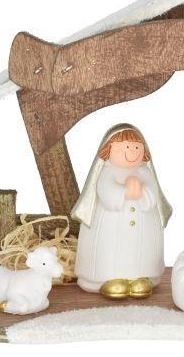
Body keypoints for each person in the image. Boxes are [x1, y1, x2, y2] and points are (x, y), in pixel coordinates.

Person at [71, 123, 172, 299]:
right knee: (111, 248)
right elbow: (106, 193)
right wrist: (125, 191)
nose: (132, 152)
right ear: (108, 150)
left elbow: (152, 193)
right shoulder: (107, 172)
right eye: (125, 147)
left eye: (136, 147)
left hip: (144, 225)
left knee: (142, 249)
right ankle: (109, 278)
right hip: (110, 225)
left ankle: (141, 277)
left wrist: (142, 191)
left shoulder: (144, 172)